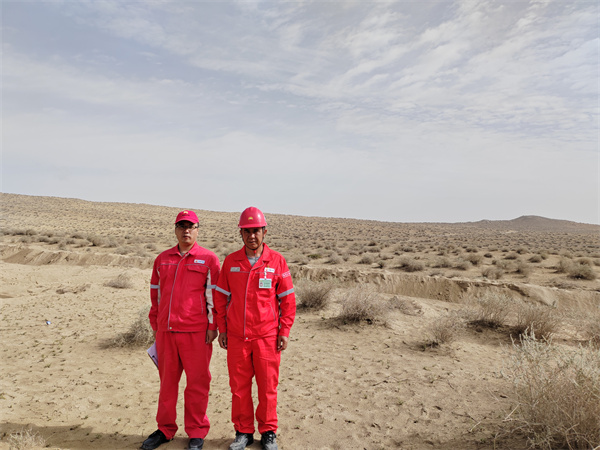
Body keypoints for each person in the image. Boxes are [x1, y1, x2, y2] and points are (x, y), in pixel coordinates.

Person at [214, 207, 296, 450]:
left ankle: (268, 432)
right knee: (239, 388)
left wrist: (284, 331)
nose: (252, 236)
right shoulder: (231, 261)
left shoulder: (277, 261)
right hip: (237, 337)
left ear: (264, 232)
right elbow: (220, 298)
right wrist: (222, 329)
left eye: (256, 231)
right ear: (240, 233)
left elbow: (288, 300)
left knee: (267, 387)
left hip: (267, 337)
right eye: (247, 231)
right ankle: (243, 432)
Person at [141, 210, 220, 450]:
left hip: (196, 333)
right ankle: (165, 429)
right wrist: (156, 325)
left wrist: (212, 326)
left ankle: (196, 431)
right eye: (181, 226)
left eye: (190, 226)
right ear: (175, 230)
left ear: (197, 230)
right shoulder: (162, 259)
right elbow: (155, 295)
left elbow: (213, 297)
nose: (186, 230)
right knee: (167, 384)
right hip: (166, 333)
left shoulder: (209, 259)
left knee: (197, 384)